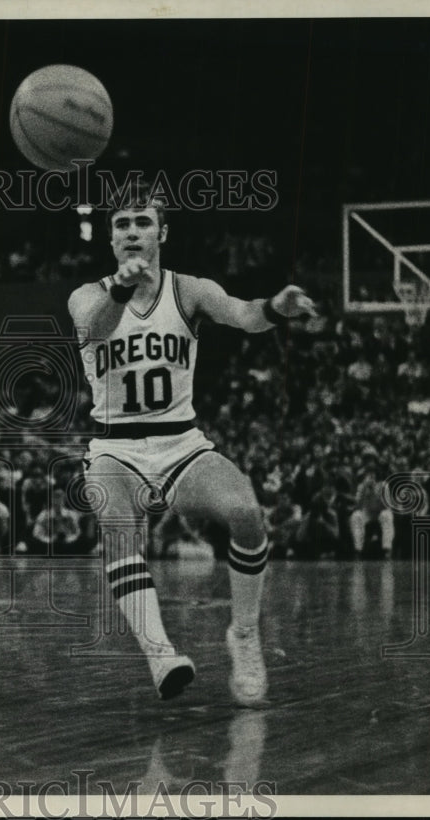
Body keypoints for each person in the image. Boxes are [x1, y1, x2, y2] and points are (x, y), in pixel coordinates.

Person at [67, 181, 316, 705]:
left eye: (143, 222)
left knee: (248, 513)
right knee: (116, 526)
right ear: (111, 239)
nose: (132, 232)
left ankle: (244, 635)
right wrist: (118, 290)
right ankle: (161, 655)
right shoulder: (88, 295)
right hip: (116, 448)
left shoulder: (189, 290)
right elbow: (95, 325)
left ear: (162, 232)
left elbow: (245, 315)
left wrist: (276, 305)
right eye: (122, 224)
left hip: (181, 442)